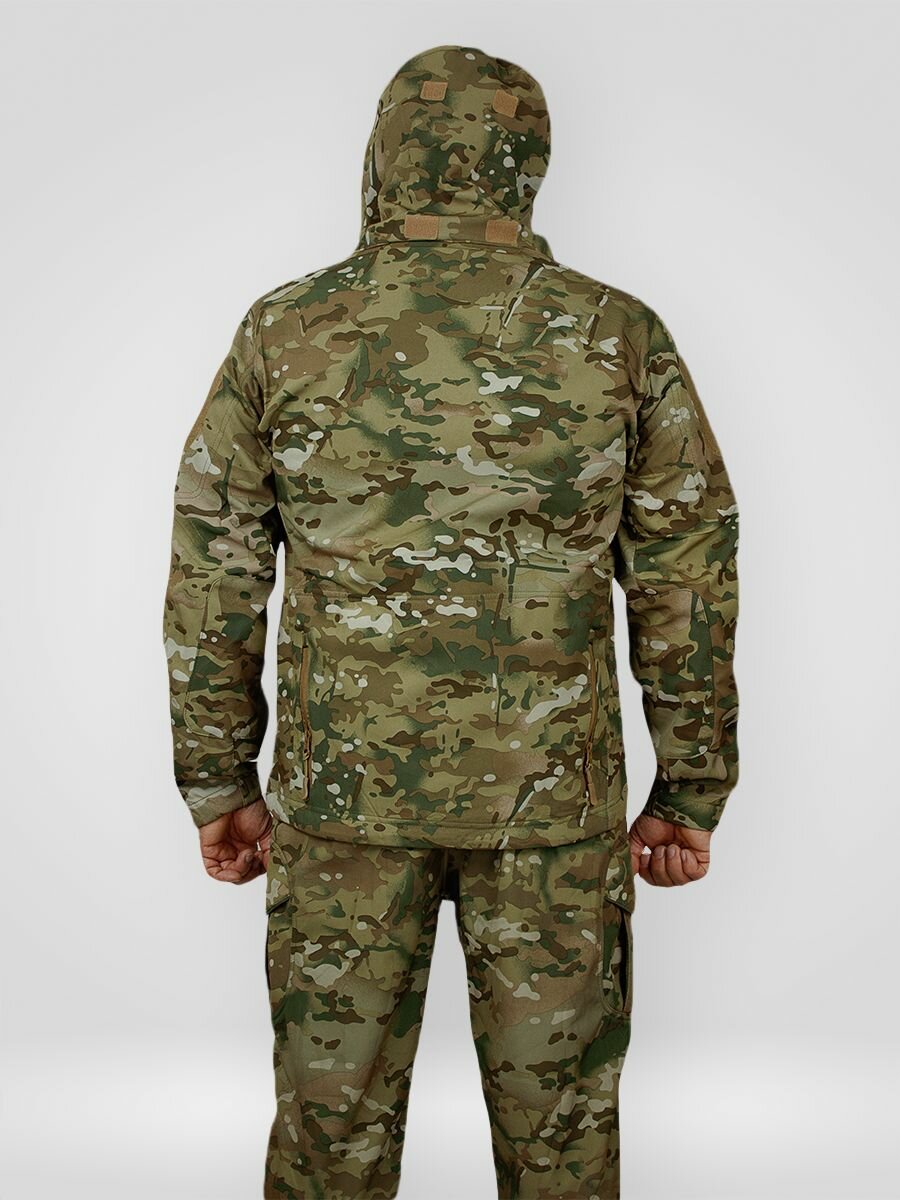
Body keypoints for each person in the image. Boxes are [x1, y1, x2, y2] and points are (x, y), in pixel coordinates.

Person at [163, 43, 739, 1200]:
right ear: (526, 163)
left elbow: (214, 567)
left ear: (385, 157)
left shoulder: (286, 330)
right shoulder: (616, 335)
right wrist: (691, 785)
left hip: (343, 804)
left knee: (329, 1139)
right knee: (561, 1143)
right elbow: (687, 573)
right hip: (551, 812)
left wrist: (217, 779)